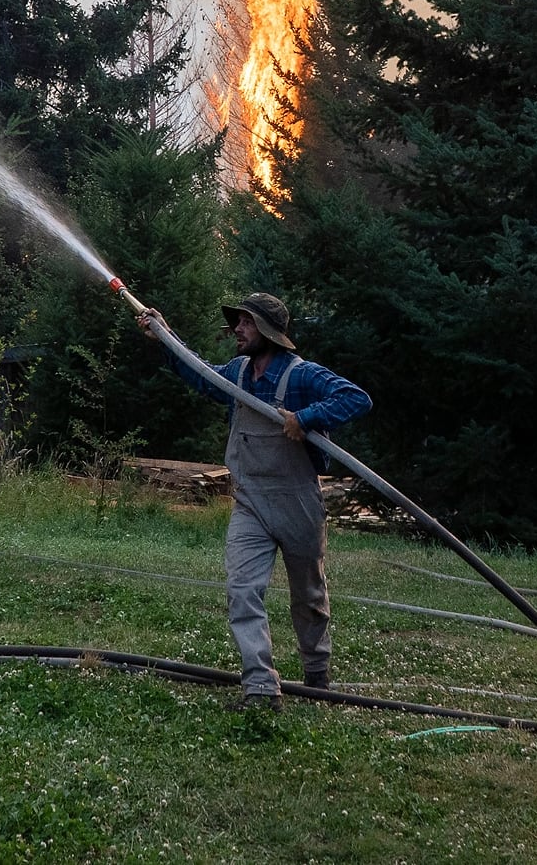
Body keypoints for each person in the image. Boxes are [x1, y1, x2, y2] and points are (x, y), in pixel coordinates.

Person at [138, 292, 371, 711]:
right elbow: (202, 376)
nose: (237, 330)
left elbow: (356, 398)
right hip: (250, 504)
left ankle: (316, 672)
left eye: (246, 323)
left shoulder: (301, 376)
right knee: (242, 590)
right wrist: (166, 339)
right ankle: (261, 687)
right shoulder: (238, 373)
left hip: (297, 502)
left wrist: (305, 418)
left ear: (267, 331)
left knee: (309, 595)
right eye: (238, 322)